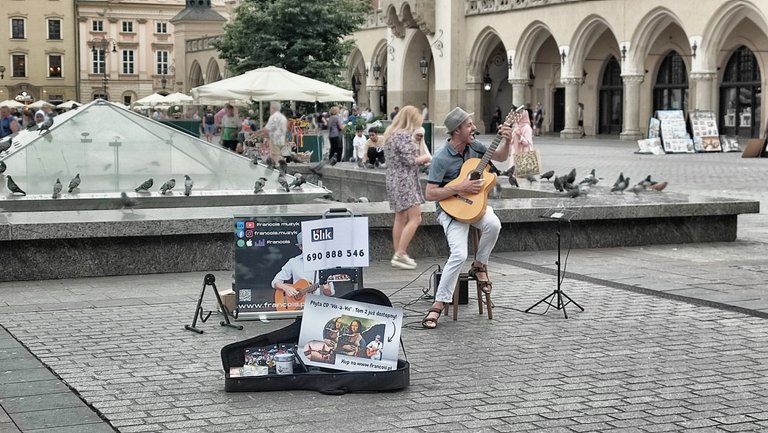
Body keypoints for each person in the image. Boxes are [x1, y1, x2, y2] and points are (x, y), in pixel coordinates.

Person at [421, 107, 513, 329]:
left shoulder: (475, 146)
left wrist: (507, 140)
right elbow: (430, 193)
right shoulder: (441, 158)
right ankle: (439, 303)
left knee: (494, 224)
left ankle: (479, 264)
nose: (474, 128)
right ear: (456, 130)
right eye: (469, 125)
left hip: (476, 208)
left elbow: (499, 156)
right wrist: (460, 186)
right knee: (459, 253)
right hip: (450, 210)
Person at [383, 105, 431, 270]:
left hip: (393, 179)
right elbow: (411, 160)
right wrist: (424, 157)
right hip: (405, 181)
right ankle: (401, 253)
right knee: (415, 218)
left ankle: (397, 254)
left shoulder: (390, 135)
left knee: (400, 217)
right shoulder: (403, 136)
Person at [271, 232, 335, 309]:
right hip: (298, 307)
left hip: (319, 306)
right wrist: (286, 288)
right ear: (300, 247)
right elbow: (275, 282)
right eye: (305, 245)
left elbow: (329, 293)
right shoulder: (293, 262)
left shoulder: (324, 263)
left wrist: (326, 289)